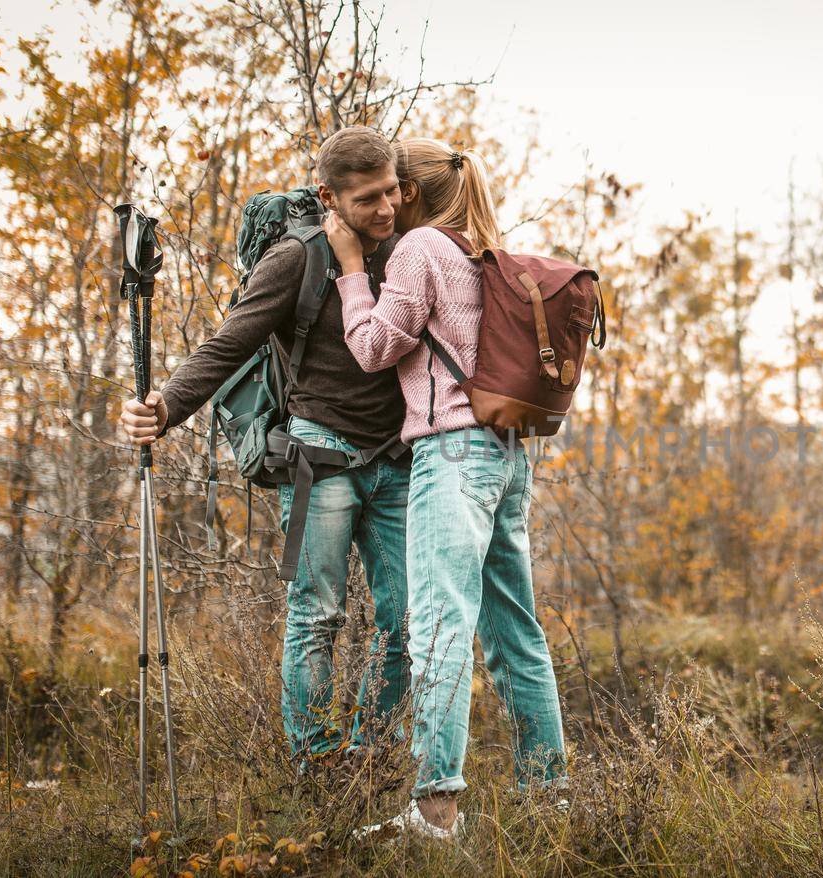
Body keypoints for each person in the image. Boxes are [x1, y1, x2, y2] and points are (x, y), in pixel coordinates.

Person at [118, 126, 412, 766]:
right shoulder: (295, 259)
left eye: (391, 191)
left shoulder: (407, 249)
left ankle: (373, 753)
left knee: (409, 622)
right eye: (367, 200)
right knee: (318, 617)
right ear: (327, 197)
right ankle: (319, 764)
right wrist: (164, 406)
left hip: (396, 460)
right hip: (321, 458)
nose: (386, 209)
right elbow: (229, 344)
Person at [328, 137, 568, 839]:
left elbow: (374, 349)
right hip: (504, 456)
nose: (388, 202)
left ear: (414, 192)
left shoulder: (420, 250)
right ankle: (549, 800)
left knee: (438, 628)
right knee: (516, 634)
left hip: (450, 457)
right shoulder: (479, 249)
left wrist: (349, 270)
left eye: (395, 189)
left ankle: (434, 809)